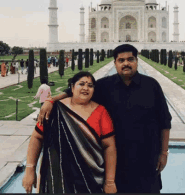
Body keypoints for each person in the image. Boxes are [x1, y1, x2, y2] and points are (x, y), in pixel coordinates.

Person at [38, 44, 172, 193]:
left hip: (146, 160)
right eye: (121, 60)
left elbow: (165, 122)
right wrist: (51, 100)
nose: (126, 63)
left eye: (130, 59)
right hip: (115, 164)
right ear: (115, 63)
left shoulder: (151, 86)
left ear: (136, 61)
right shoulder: (104, 86)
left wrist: (164, 152)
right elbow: (75, 91)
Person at [22, 71, 117, 194]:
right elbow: (37, 137)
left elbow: (109, 146)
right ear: (72, 87)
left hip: (90, 181)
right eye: (81, 84)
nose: (85, 88)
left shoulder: (101, 112)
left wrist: (110, 182)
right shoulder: (54, 109)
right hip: (57, 181)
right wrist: (30, 169)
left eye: (90, 85)